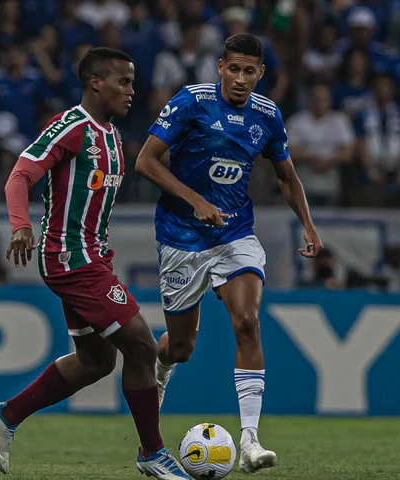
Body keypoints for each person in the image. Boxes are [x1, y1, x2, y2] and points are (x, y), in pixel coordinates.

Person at [0, 47, 191, 480]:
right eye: (124, 81)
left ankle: (8, 414)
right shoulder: (71, 128)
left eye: (133, 82)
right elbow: (20, 174)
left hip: (94, 259)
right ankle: (152, 453)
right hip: (71, 259)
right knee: (143, 346)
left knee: (97, 362)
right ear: (96, 82)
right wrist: (21, 226)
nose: (132, 91)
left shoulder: (111, 135)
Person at [135, 33, 323, 474]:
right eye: (233, 69)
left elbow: (287, 175)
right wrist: (194, 199)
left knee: (247, 322)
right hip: (181, 236)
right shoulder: (190, 102)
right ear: (220, 66)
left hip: (234, 233)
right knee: (181, 347)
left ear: (261, 73)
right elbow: (146, 161)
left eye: (249, 71)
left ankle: (250, 443)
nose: (240, 79)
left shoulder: (267, 115)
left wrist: (310, 225)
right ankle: (161, 370)